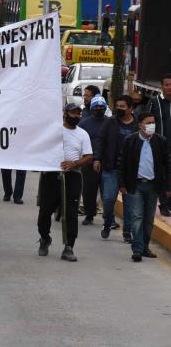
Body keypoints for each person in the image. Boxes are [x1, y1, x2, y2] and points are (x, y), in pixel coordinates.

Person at [37, 102, 92, 262]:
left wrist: (74, 164)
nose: (76, 116)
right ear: (65, 113)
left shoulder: (83, 134)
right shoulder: (53, 131)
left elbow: (88, 156)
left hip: (73, 176)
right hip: (52, 175)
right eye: (73, 113)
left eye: (78, 114)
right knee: (45, 210)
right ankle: (44, 237)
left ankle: (69, 247)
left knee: (71, 213)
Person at [118, 112, 171, 262]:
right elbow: (122, 163)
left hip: (153, 186)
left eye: (153, 122)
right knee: (137, 218)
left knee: (148, 220)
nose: (151, 125)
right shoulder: (130, 140)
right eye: (148, 123)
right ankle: (137, 249)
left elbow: (167, 164)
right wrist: (122, 184)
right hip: (135, 185)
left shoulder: (160, 141)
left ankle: (144, 246)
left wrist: (168, 186)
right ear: (140, 124)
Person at [95, 95, 138, 241]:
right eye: (117, 106)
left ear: (131, 108)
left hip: (131, 171)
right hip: (111, 168)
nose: (119, 109)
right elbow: (100, 140)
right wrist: (97, 159)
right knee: (108, 200)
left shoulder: (137, 124)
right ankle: (107, 223)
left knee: (130, 204)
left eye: (123, 107)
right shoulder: (110, 122)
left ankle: (127, 233)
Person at [78, 95, 110, 225]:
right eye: (96, 107)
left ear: (105, 108)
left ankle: (108, 218)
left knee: (107, 193)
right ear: (91, 108)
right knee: (88, 191)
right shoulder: (84, 123)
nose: (98, 109)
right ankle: (89, 215)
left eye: (101, 107)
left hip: (106, 163)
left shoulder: (110, 122)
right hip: (89, 162)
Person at [148, 73, 171, 216]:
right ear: (162, 86)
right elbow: (147, 121)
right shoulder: (154, 101)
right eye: (167, 84)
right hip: (160, 145)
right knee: (162, 174)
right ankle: (164, 204)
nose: (170, 87)